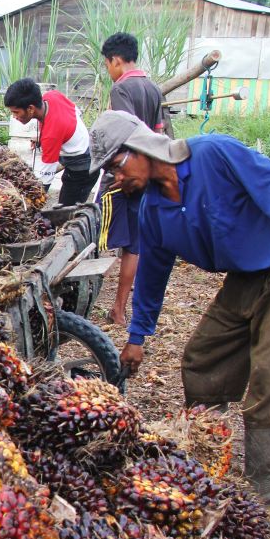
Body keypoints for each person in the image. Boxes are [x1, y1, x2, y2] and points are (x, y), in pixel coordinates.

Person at [88, 110, 270, 512]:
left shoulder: (214, 155)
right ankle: (208, 444)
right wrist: (137, 337)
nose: (115, 179)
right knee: (204, 356)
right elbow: (152, 275)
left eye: (115, 166)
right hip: (245, 277)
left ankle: (266, 482)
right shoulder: (152, 210)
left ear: (139, 148)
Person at [97, 32, 170, 326]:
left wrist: (119, 174)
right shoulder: (153, 88)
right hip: (147, 172)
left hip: (124, 176)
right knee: (134, 245)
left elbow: (122, 132)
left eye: (107, 64)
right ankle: (120, 307)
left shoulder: (121, 89)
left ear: (116, 60)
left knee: (101, 234)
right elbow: (160, 131)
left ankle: (92, 294)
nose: (108, 70)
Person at [3, 77, 98, 206]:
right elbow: (76, 112)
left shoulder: (51, 135)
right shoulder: (52, 96)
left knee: (65, 212)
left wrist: (28, 205)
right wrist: (45, 138)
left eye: (16, 112)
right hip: (85, 146)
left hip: (83, 167)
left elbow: (45, 180)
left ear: (30, 109)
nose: (14, 116)